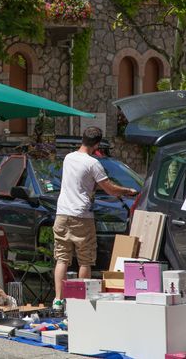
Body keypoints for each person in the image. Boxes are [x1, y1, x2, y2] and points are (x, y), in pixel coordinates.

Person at [52, 127, 137, 311]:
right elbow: (110, 189)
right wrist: (127, 191)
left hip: (61, 214)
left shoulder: (68, 158)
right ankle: (80, 301)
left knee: (62, 259)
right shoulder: (93, 164)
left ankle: (58, 301)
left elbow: (80, 182)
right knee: (85, 260)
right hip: (81, 216)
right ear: (97, 144)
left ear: (82, 139)